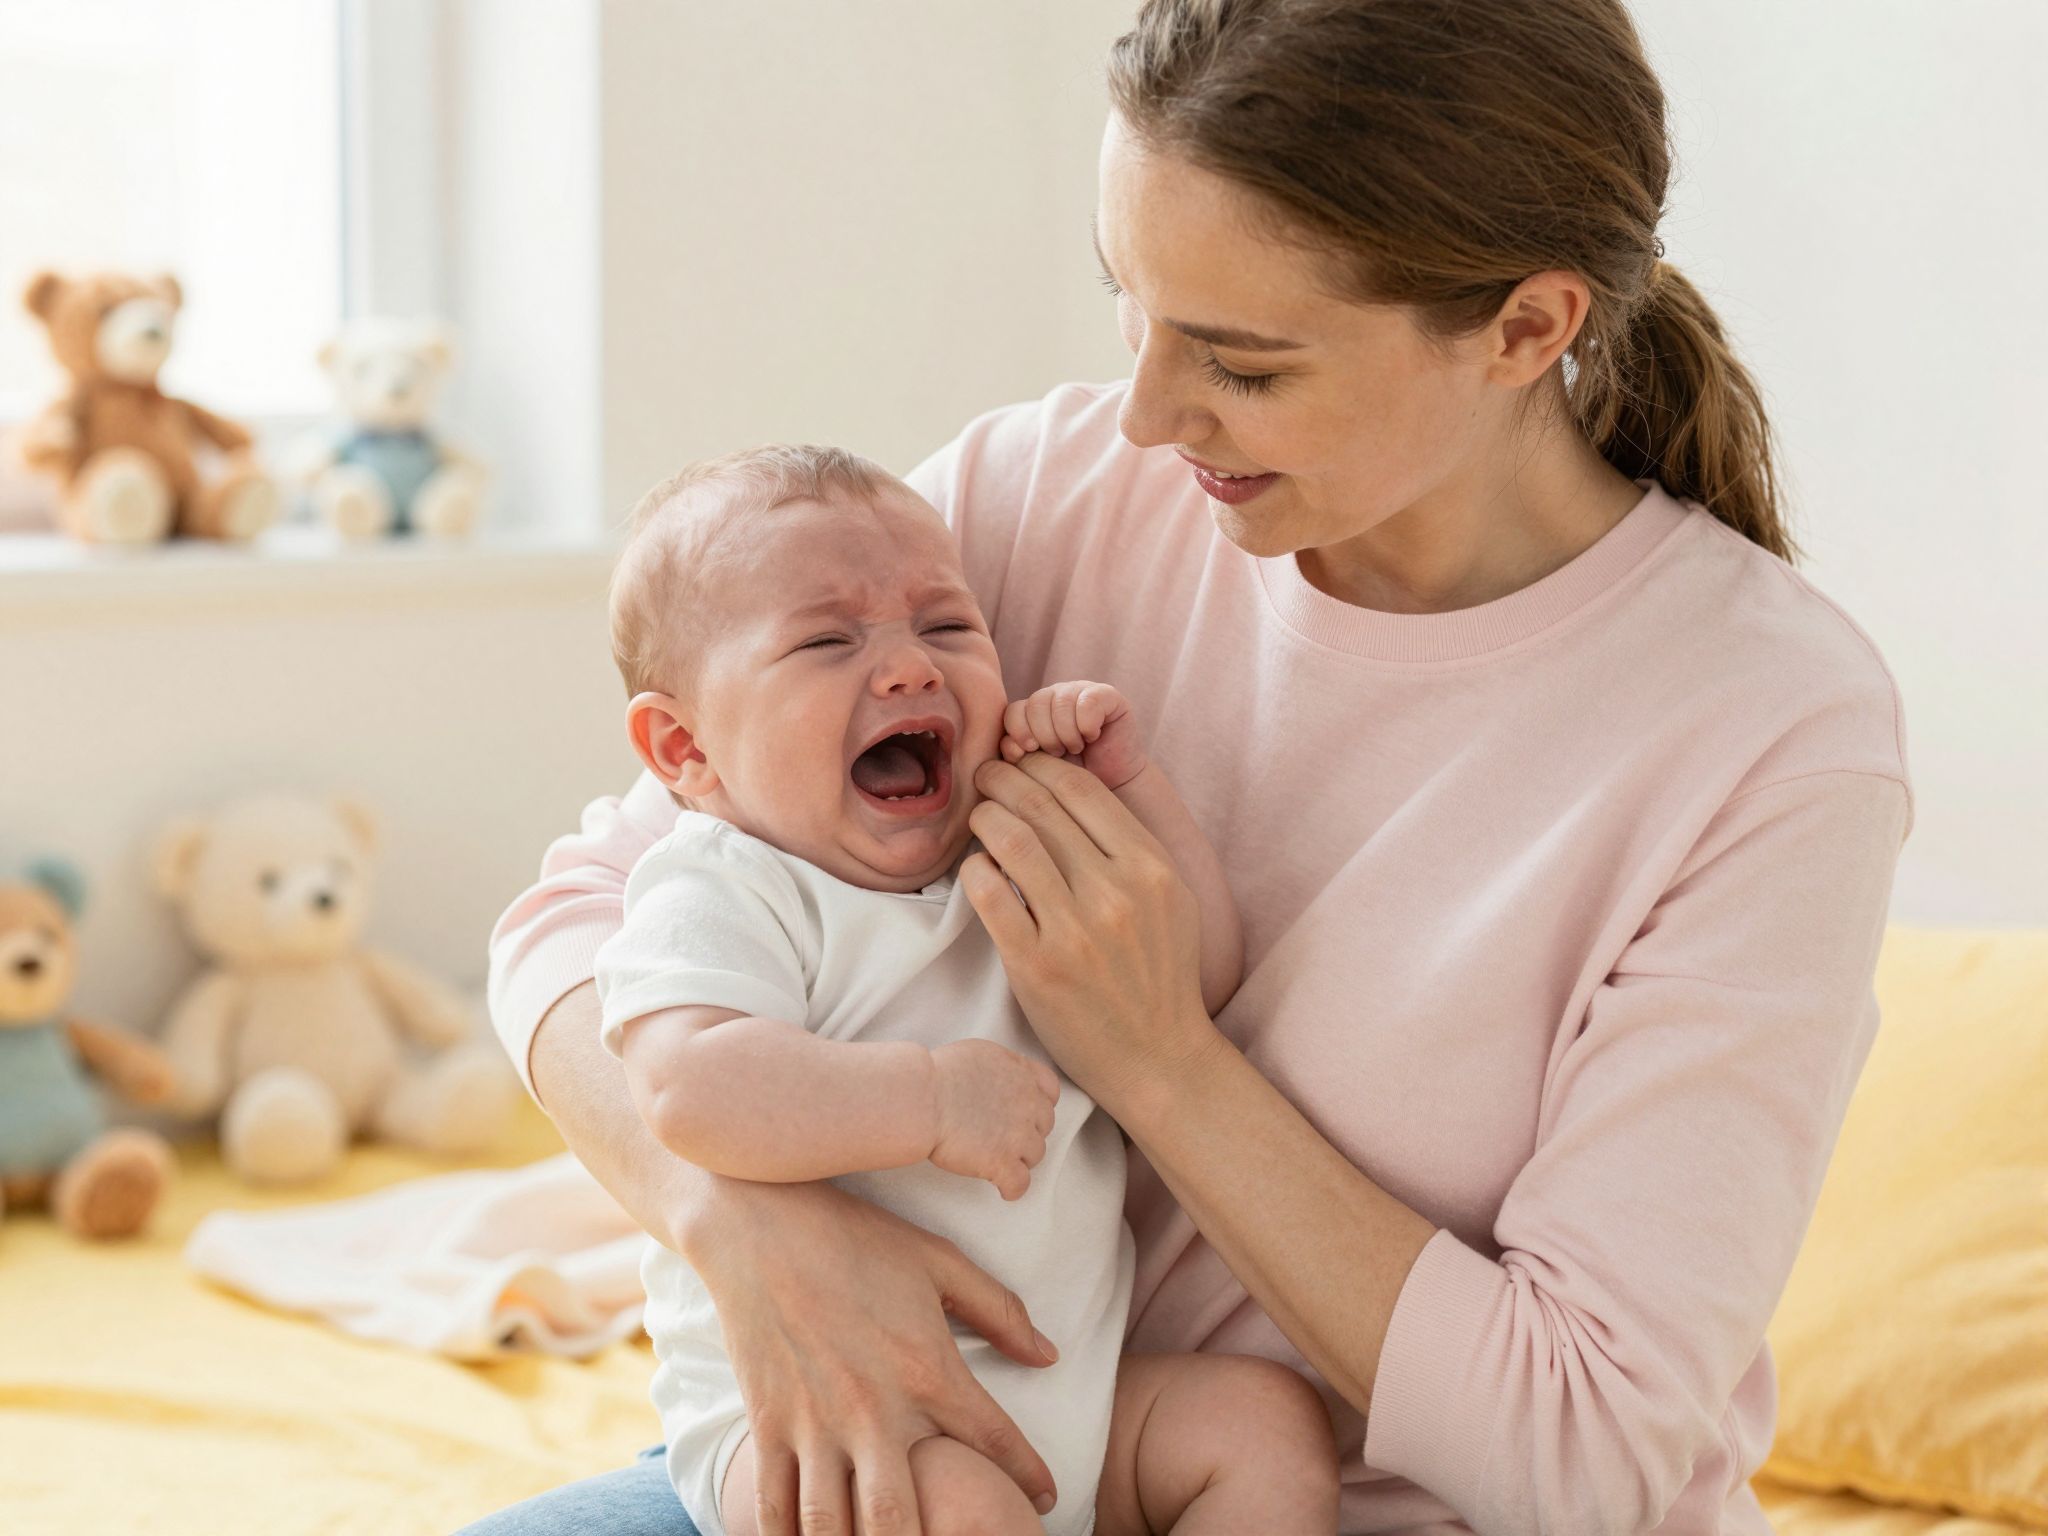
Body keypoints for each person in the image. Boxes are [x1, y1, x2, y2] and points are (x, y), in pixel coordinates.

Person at [470, 2, 1912, 1532]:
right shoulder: (1041, 495)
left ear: (1525, 329)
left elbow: (1584, 1449)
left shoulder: (1765, 728)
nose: (1150, 416)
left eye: (1240, 361)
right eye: (1130, 306)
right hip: (962, 1439)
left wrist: (1159, 1056)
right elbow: (577, 924)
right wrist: (744, 1228)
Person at [594, 443, 1338, 1536]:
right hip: (839, 1432)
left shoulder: (1004, 849)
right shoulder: (730, 883)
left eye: (946, 627)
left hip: (1067, 1408)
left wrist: (1128, 792)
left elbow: (1192, 982)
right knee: (959, 1513)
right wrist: (929, 1101)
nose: (908, 669)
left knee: (1257, 1425)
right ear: (684, 748)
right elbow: (689, 1091)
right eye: (825, 642)